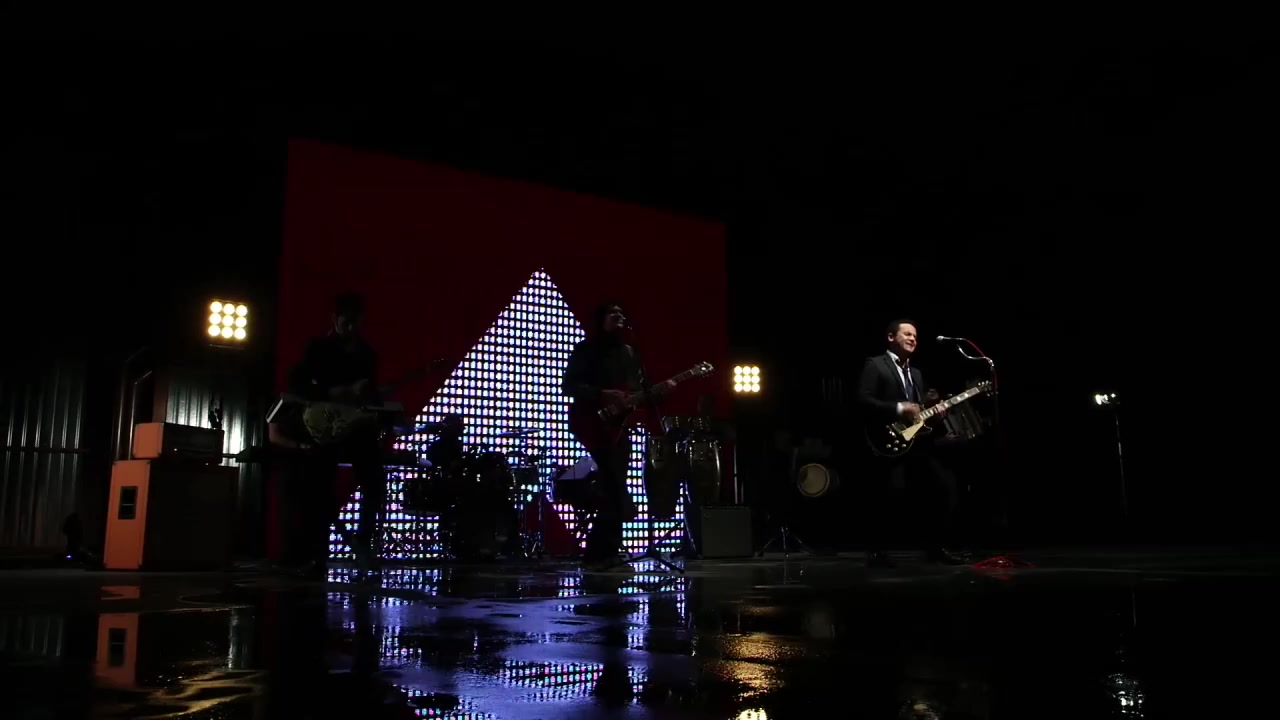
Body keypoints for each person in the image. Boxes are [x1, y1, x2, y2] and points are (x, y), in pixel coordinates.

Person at [269, 292, 386, 573]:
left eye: (356, 322)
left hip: (355, 428)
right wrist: (333, 392)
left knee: (375, 480)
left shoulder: (367, 354)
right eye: (346, 322)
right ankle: (316, 554)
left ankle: (363, 541)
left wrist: (368, 397)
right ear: (335, 319)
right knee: (319, 486)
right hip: (324, 429)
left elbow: (371, 394)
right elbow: (297, 383)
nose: (351, 328)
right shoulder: (318, 348)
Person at [563, 302, 670, 570]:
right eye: (613, 312)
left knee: (617, 487)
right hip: (591, 422)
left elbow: (634, 391)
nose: (620, 316)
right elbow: (569, 386)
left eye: (622, 313)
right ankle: (596, 555)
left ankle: (608, 553)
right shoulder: (586, 349)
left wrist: (657, 392)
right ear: (601, 319)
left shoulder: (629, 353)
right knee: (613, 486)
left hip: (618, 426)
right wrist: (601, 394)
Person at [856, 319, 965, 567]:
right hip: (887, 440)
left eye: (915, 335)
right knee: (890, 494)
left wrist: (935, 414)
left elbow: (919, 414)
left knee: (943, 487)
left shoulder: (916, 374)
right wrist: (898, 407)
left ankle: (936, 548)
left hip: (917, 444)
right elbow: (863, 400)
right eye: (907, 334)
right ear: (891, 337)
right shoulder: (875, 364)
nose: (913, 338)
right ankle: (877, 552)